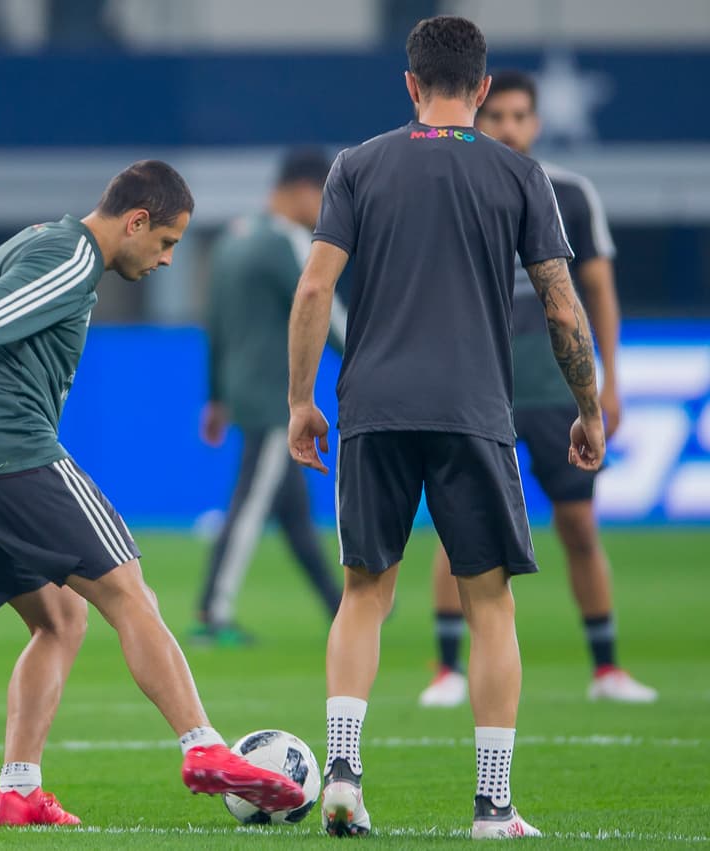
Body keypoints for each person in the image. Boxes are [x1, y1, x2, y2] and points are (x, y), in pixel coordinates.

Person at [0, 161, 306, 827]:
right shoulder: (72, 256)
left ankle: (18, 789)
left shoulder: (35, 239)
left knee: (59, 620)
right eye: (167, 241)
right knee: (129, 593)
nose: (169, 259)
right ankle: (203, 746)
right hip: (4, 446)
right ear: (134, 220)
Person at [287, 16, 605, 839]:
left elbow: (315, 290)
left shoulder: (358, 166)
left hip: (375, 407)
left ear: (410, 84)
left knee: (365, 592)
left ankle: (345, 770)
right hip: (474, 411)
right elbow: (563, 303)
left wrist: (300, 400)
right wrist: (588, 405)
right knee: (490, 603)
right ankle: (493, 805)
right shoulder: (520, 175)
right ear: (486, 88)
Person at [419, 70, 656, 709]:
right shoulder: (453, 186)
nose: (509, 128)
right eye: (497, 117)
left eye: (521, 116)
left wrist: (606, 380)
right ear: (480, 115)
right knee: (454, 527)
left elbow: (596, 292)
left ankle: (606, 669)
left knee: (579, 525)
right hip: (477, 383)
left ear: (537, 122)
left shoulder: (572, 194)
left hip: (554, 387)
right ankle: (447, 669)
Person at [193, 148, 345, 646]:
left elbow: (214, 326)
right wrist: (377, 355)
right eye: (322, 197)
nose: (325, 210)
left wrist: (215, 398)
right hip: (277, 402)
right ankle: (214, 613)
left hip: (242, 394)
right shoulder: (290, 242)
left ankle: (338, 606)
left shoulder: (233, 239)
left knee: (295, 515)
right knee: (250, 506)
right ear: (303, 189)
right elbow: (328, 313)